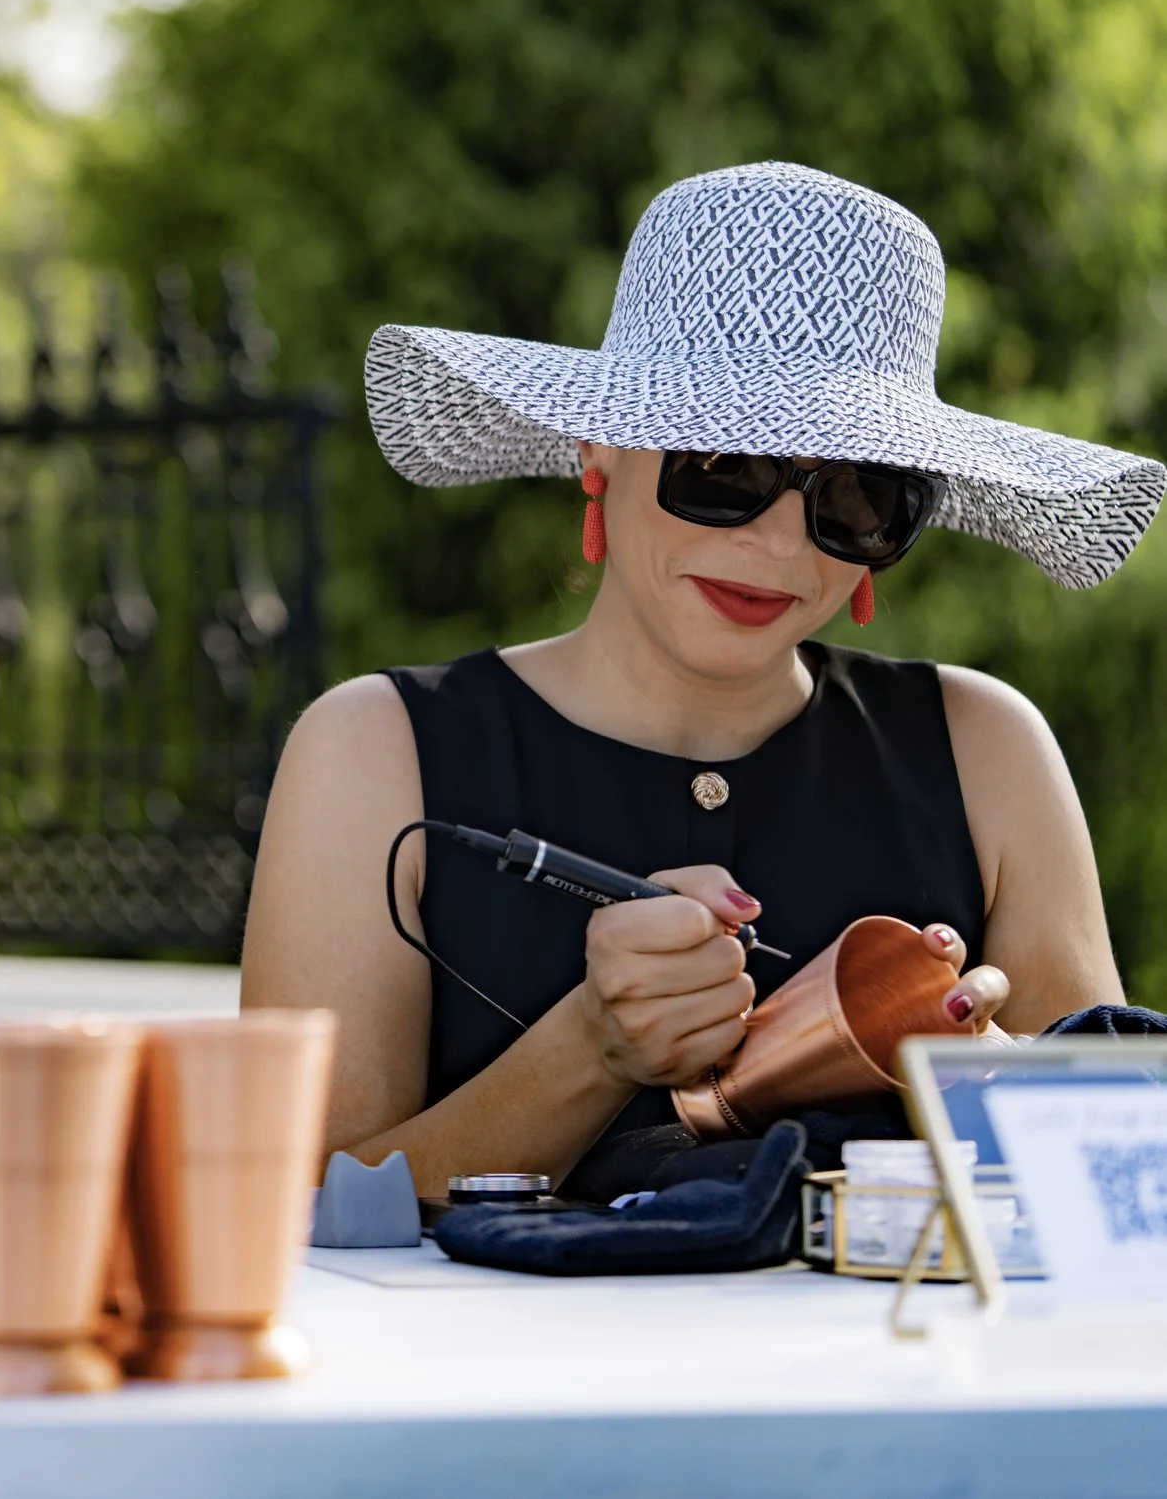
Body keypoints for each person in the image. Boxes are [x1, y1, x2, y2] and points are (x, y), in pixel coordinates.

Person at [242, 162, 1167, 1200]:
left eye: (856, 496)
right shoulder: (374, 750)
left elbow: (1121, 1196)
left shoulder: (987, 748)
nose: (780, 544)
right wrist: (588, 1050)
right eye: (724, 464)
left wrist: (983, 1065)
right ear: (601, 445)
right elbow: (288, 1202)